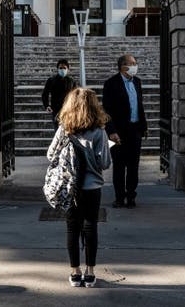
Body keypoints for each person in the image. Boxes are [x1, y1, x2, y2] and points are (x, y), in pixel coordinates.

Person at [50, 87, 112, 288]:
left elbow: (51, 154)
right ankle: (90, 272)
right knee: (90, 226)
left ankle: (75, 272)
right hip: (92, 186)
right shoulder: (99, 131)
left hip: (70, 185)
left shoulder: (64, 128)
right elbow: (104, 163)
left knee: (72, 228)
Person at [102, 54, 147, 208]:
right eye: (132, 63)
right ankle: (119, 197)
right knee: (119, 166)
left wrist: (143, 128)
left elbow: (139, 106)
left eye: (135, 63)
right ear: (123, 66)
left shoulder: (137, 82)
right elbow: (106, 111)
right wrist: (111, 131)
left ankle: (131, 196)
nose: (135, 66)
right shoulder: (111, 83)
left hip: (135, 130)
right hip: (118, 132)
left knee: (134, 166)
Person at [41, 58, 76, 125]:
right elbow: (45, 94)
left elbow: (76, 95)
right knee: (57, 131)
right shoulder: (51, 80)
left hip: (69, 110)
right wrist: (47, 105)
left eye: (64, 68)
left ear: (67, 69)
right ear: (57, 69)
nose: (62, 70)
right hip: (56, 109)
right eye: (60, 68)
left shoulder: (72, 81)